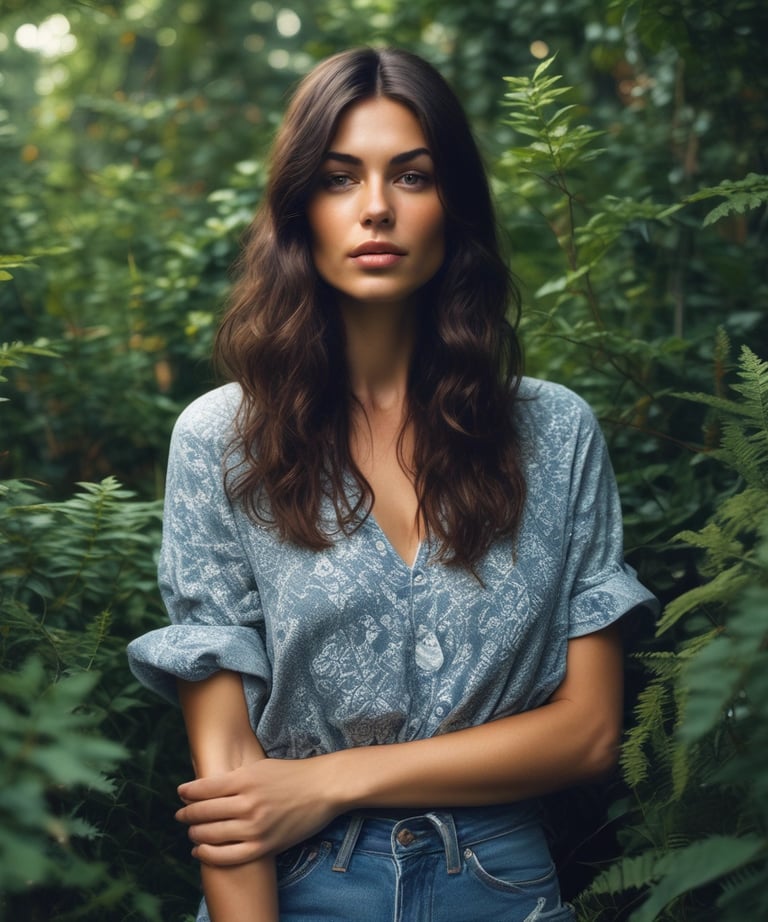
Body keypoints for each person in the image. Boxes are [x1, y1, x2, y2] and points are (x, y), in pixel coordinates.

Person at [127, 46, 657, 922]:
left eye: (411, 176)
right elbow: (230, 782)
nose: (376, 208)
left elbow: (591, 731)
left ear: (454, 205)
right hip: (295, 886)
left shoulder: (555, 432)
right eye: (340, 178)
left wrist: (327, 781)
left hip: (500, 885)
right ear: (301, 210)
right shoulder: (220, 440)